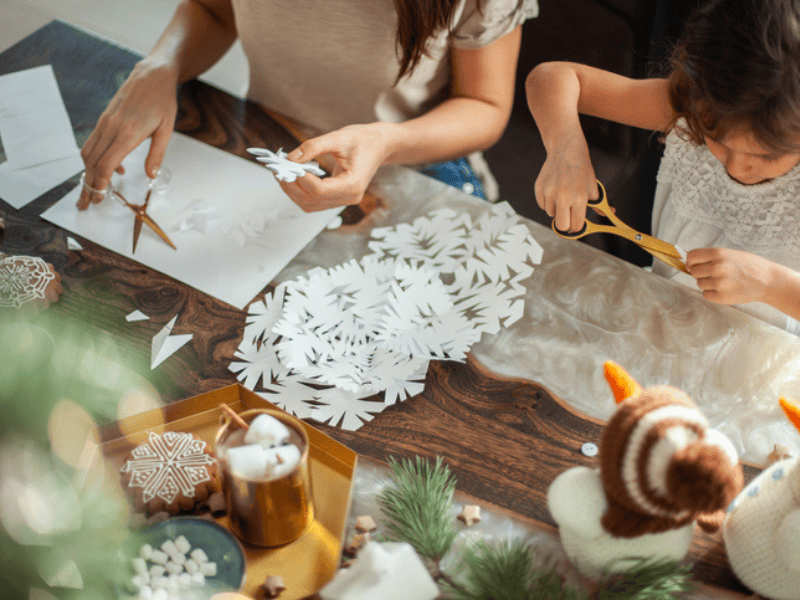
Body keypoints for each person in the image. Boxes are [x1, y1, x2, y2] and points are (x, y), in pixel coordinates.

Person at [78, 0, 539, 212]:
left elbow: (484, 103)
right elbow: (214, 10)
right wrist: (161, 66)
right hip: (272, 135)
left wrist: (385, 141)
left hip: (415, 159)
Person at [526, 0, 800, 333]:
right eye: (718, 142)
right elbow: (553, 77)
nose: (739, 167)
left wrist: (770, 283)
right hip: (661, 326)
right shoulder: (688, 109)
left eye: (768, 157)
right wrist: (565, 150)